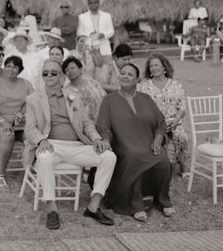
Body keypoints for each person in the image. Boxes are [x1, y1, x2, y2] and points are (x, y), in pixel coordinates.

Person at [24, 59, 116, 230]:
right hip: (51, 144)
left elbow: (86, 122)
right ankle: (51, 210)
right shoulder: (33, 99)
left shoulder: (74, 96)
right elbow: (29, 127)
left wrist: (96, 139)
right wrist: (42, 140)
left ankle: (94, 206)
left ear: (61, 76)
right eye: (46, 73)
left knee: (109, 157)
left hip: (77, 146)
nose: (49, 75)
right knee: (44, 159)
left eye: (54, 72)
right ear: (42, 76)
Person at [96, 63, 174, 221]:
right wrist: (105, 139)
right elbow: (103, 125)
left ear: (137, 80)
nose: (124, 76)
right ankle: (135, 205)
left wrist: (158, 139)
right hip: (123, 146)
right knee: (134, 156)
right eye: (122, 73)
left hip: (148, 144)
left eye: (129, 74)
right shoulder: (109, 100)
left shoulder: (146, 99)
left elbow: (161, 122)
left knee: (163, 161)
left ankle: (162, 199)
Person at [138, 54, 189, 178]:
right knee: (158, 142)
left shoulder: (175, 84)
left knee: (181, 136)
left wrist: (176, 119)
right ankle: (163, 164)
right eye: (151, 66)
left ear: (164, 67)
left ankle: (182, 163)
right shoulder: (144, 86)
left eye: (156, 65)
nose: (154, 68)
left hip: (174, 121)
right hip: (155, 124)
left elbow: (182, 105)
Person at [0, 55, 34, 189]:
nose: (11, 69)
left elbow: (33, 103)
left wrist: (24, 114)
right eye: (8, 66)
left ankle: (33, 171)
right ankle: (0, 177)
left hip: (21, 125)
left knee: (34, 137)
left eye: (15, 67)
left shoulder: (26, 84)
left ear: (20, 70)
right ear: (4, 67)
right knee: (7, 135)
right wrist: (4, 122)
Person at [62, 56, 106, 123]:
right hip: (87, 126)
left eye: (72, 68)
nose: (70, 71)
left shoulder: (92, 82)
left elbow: (104, 97)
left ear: (80, 69)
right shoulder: (67, 92)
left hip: (105, 119)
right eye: (67, 70)